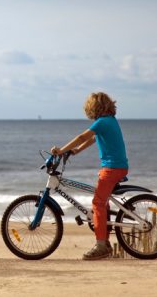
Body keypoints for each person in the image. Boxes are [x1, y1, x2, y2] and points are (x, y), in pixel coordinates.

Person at [50, 92, 128, 260]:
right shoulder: (109, 121)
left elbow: (82, 136)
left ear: (94, 108)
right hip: (116, 167)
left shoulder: (102, 122)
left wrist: (61, 150)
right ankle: (105, 240)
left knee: (97, 203)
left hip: (112, 168)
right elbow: (93, 139)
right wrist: (76, 151)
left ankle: (101, 245)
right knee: (102, 201)